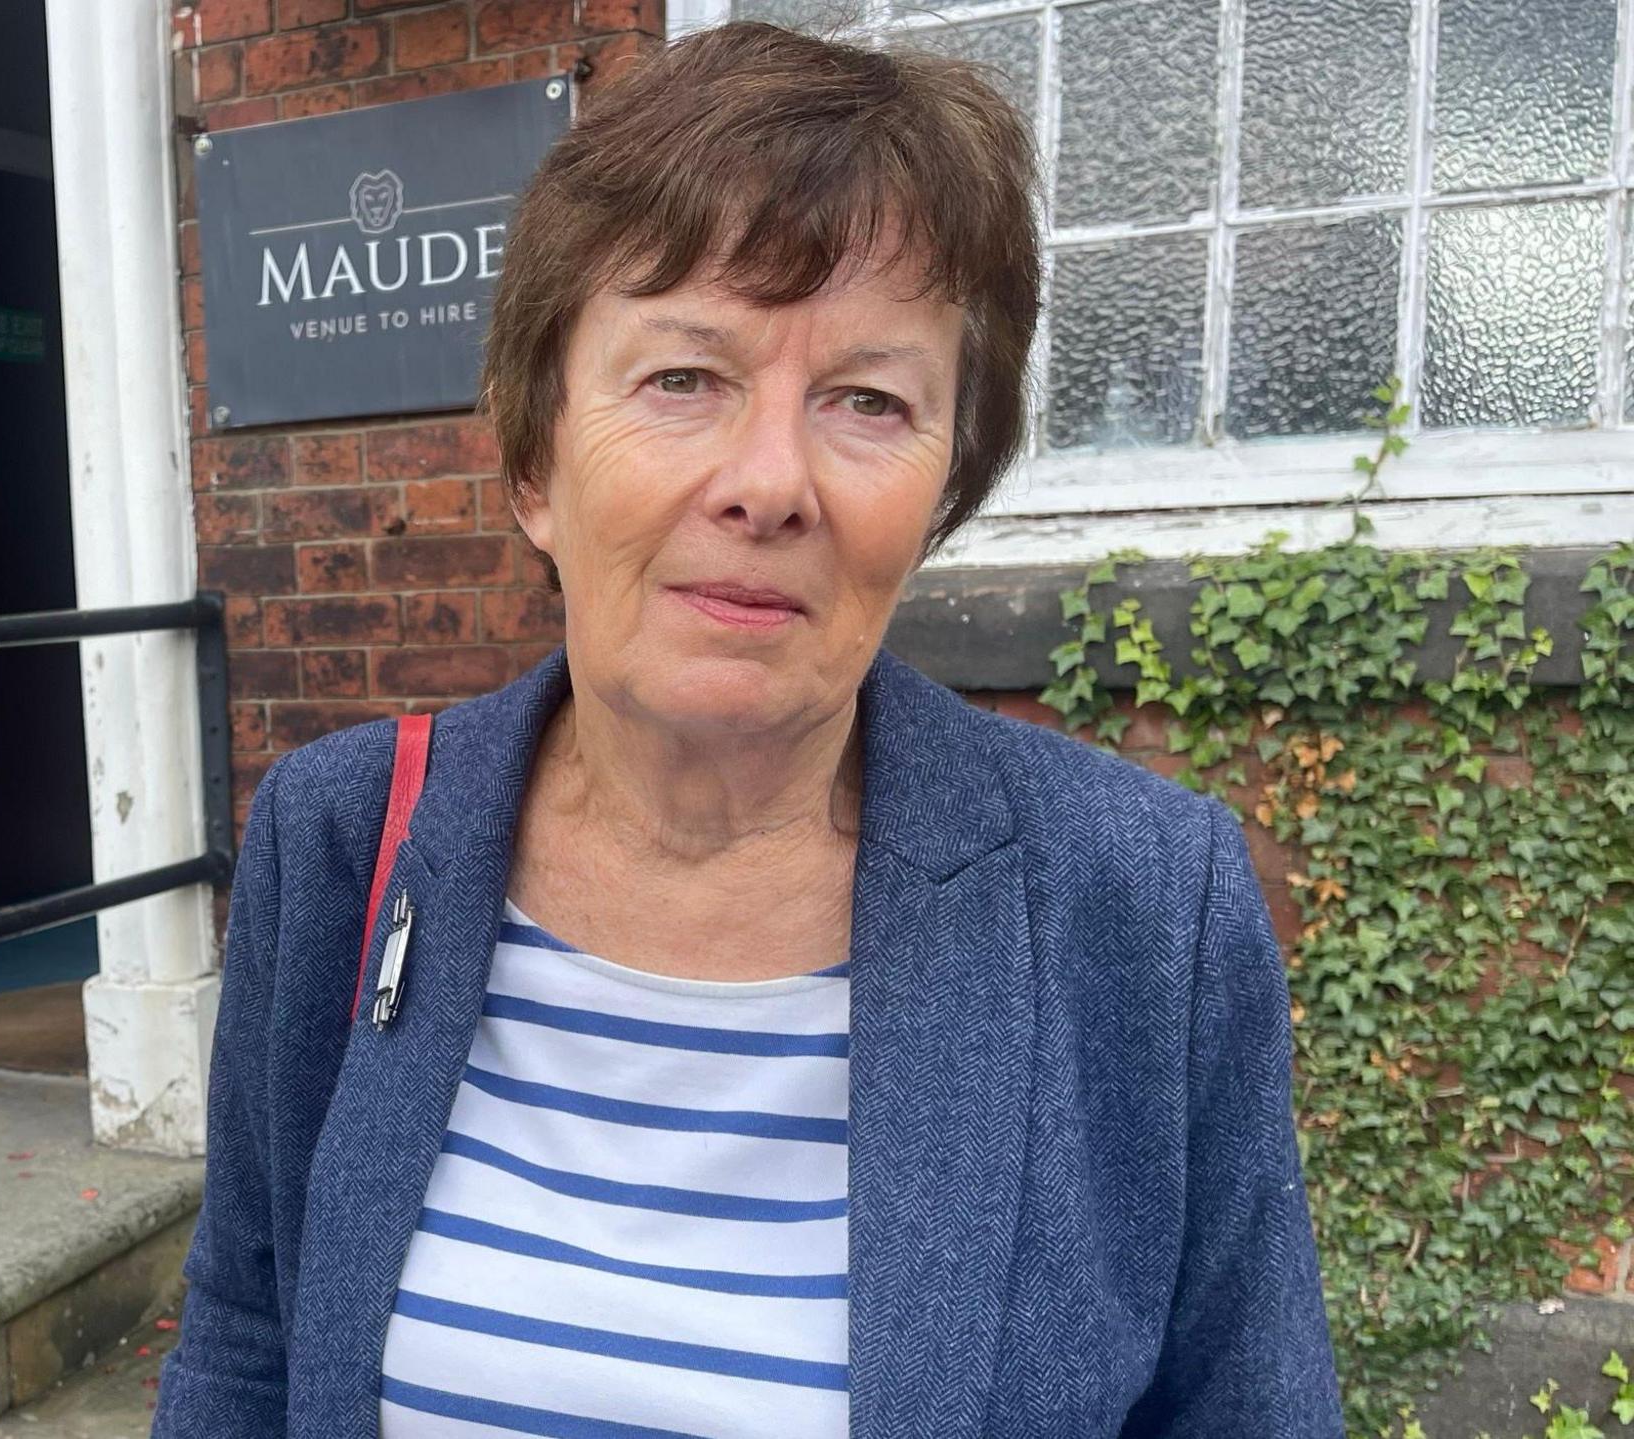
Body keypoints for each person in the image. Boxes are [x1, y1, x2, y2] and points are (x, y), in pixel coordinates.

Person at [153, 21, 1340, 1438]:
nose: (769, 483)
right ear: (535, 460)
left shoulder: (1141, 904)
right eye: (684, 378)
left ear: (943, 487)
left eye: (867, 400)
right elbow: (247, 1331)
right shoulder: (346, 839)